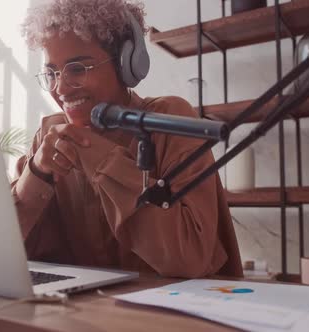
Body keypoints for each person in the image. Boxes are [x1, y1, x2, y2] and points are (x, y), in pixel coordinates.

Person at [12, 0, 243, 278]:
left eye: (77, 68)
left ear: (127, 63)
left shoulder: (168, 119)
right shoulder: (49, 136)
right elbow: (5, 249)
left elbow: (189, 259)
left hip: (166, 312)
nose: (60, 88)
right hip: (83, 312)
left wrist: (105, 161)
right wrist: (36, 174)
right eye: (51, 73)